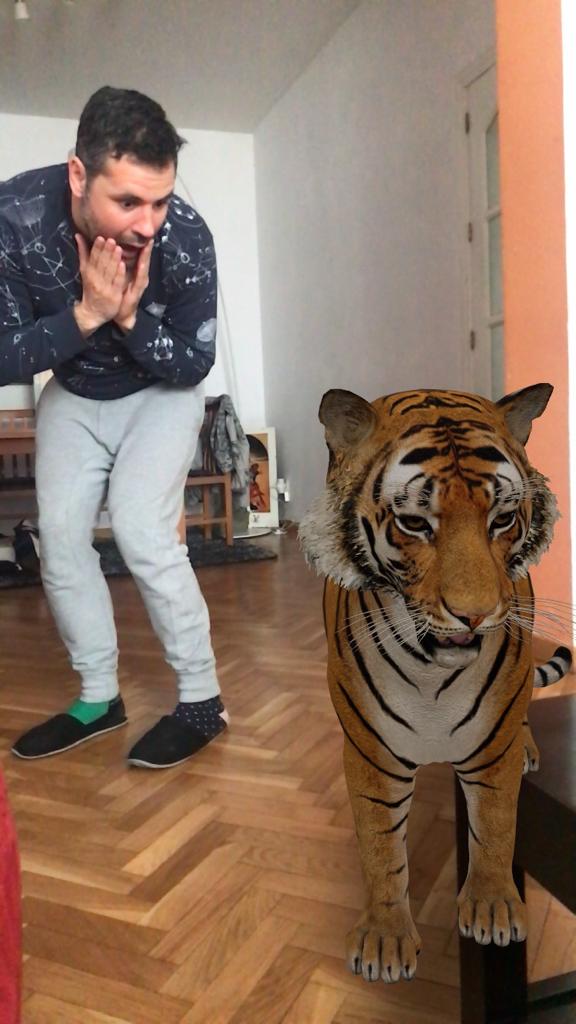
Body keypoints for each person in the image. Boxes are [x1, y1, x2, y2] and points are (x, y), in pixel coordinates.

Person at [0, 86, 228, 768]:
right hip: (73, 393)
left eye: (159, 200)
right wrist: (87, 315)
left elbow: (194, 363)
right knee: (61, 541)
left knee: (141, 531)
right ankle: (99, 697)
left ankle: (202, 701)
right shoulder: (14, 218)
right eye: (128, 202)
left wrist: (126, 316)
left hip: (161, 393)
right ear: (79, 174)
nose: (148, 223)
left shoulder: (186, 237)